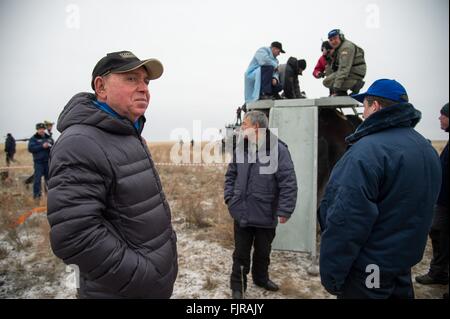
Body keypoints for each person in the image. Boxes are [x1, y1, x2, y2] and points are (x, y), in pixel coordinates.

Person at [46, 51, 178, 299]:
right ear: (101, 86)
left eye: (146, 82)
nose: (143, 89)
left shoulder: (127, 133)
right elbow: (75, 237)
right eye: (131, 79)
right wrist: (143, 275)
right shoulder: (79, 143)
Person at [319, 79, 441, 299]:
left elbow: (346, 220)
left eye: (364, 106)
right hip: (402, 266)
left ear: (375, 106)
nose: (363, 113)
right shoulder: (426, 148)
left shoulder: (366, 152)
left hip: (368, 272)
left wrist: (332, 274)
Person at [224, 110, 298, 299]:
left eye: (245, 125)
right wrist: (229, 198)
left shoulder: (278, 149)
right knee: (240, 253)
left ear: (256, 127)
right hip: (242, 212)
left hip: (266, 213)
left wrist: (285, 210)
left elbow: (288, 181)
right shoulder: (241, 148)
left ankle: (261, 278)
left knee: (263, 252)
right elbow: (231, 174)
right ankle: (238, 286)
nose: (241, 129)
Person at [416, 103, 449, 292]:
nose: (439, 118)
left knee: (440, 234)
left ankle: (439, 273)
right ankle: (439, 273)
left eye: (442, 115)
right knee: (438, 234)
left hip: (445, 203)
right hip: (442, 201)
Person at [323, 29, 366, 96]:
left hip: (354, 71)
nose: (333, 41)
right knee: (329, 80)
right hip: (352, 70)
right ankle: (342, 92)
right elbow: (333, 67)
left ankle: (355, 84)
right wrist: (327, 57)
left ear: (341, 37)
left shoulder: (346, 48)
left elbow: (344, 68)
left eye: (335, 38)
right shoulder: (339, 48)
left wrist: (336, 87)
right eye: (331, 40)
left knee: (327, 82)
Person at [28, 123, 53, 199]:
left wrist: (50, 146)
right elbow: (31, 148)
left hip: (47, 162)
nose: (41, 130)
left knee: (48, 180)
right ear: (37, 130)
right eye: (40, 129)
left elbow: (53, 146)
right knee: (37, 179)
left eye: (43, 129)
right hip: (38, 162)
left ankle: (49, 195)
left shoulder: (48, 137)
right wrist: (42, 146)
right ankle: (37, 196)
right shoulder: (33, 138)